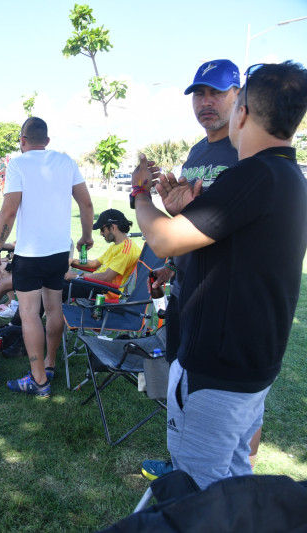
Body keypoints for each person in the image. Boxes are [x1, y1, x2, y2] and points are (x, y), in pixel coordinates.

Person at [130, 61, 307, 489]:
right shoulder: (288, 174)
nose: (206, 102)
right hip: (250, 363)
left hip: (215, 367)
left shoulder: (253, 173)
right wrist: (186, 214)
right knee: (233, 483)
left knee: (198, 492)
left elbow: (166, 239)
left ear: (241, 111)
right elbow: (236, 249)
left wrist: (139, 193)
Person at [139, 59, 247, 481]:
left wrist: (155, 205)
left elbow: (232, 223)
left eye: (216, 92)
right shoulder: (198, 151)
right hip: (186, 286)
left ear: (238, 94)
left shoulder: (245, 151)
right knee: (179, 379)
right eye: (198, 94)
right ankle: (181, 458)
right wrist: (171, 265)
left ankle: (217, 471)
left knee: (214, 395)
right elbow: (189, 218)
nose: (206, 102)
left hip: (224, 294)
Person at [0, 117, 94, 398]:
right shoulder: (65, 161)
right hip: (60, 251)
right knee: (54, 308)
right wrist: (86, 236)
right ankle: (49, 364)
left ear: (23, 141)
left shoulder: (18, 164)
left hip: (31, 254)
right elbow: (86, 203)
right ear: (47, 141)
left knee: (29, 313)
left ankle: (38, 381)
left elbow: (9, 211)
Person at [64, 209, 140, 301]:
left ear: (112, 227)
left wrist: (77, 276)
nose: (101, 233)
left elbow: (106, 277)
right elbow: (94, 263)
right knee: (53, 281)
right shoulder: (116, 245)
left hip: (105, 291)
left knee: (55, 286)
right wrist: (73, 261)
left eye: (102, 229)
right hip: (96, 285)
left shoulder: (126, 250)